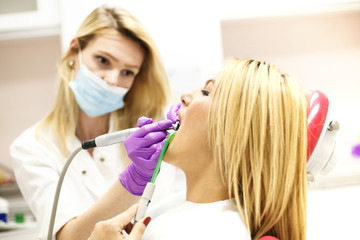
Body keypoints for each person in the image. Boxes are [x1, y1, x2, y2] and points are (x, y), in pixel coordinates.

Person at [10, 5, 185, 240]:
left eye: (127, 72)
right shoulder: (32, 147)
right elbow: (68, 237)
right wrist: (133, 180)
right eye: (103, 60)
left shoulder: (152, 130)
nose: (112, 79)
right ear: (74, 52)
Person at [90, 57, 308, 240]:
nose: (184, 96)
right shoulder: (186, 213)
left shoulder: (217, 231)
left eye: (206, 92)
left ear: (233, 131)